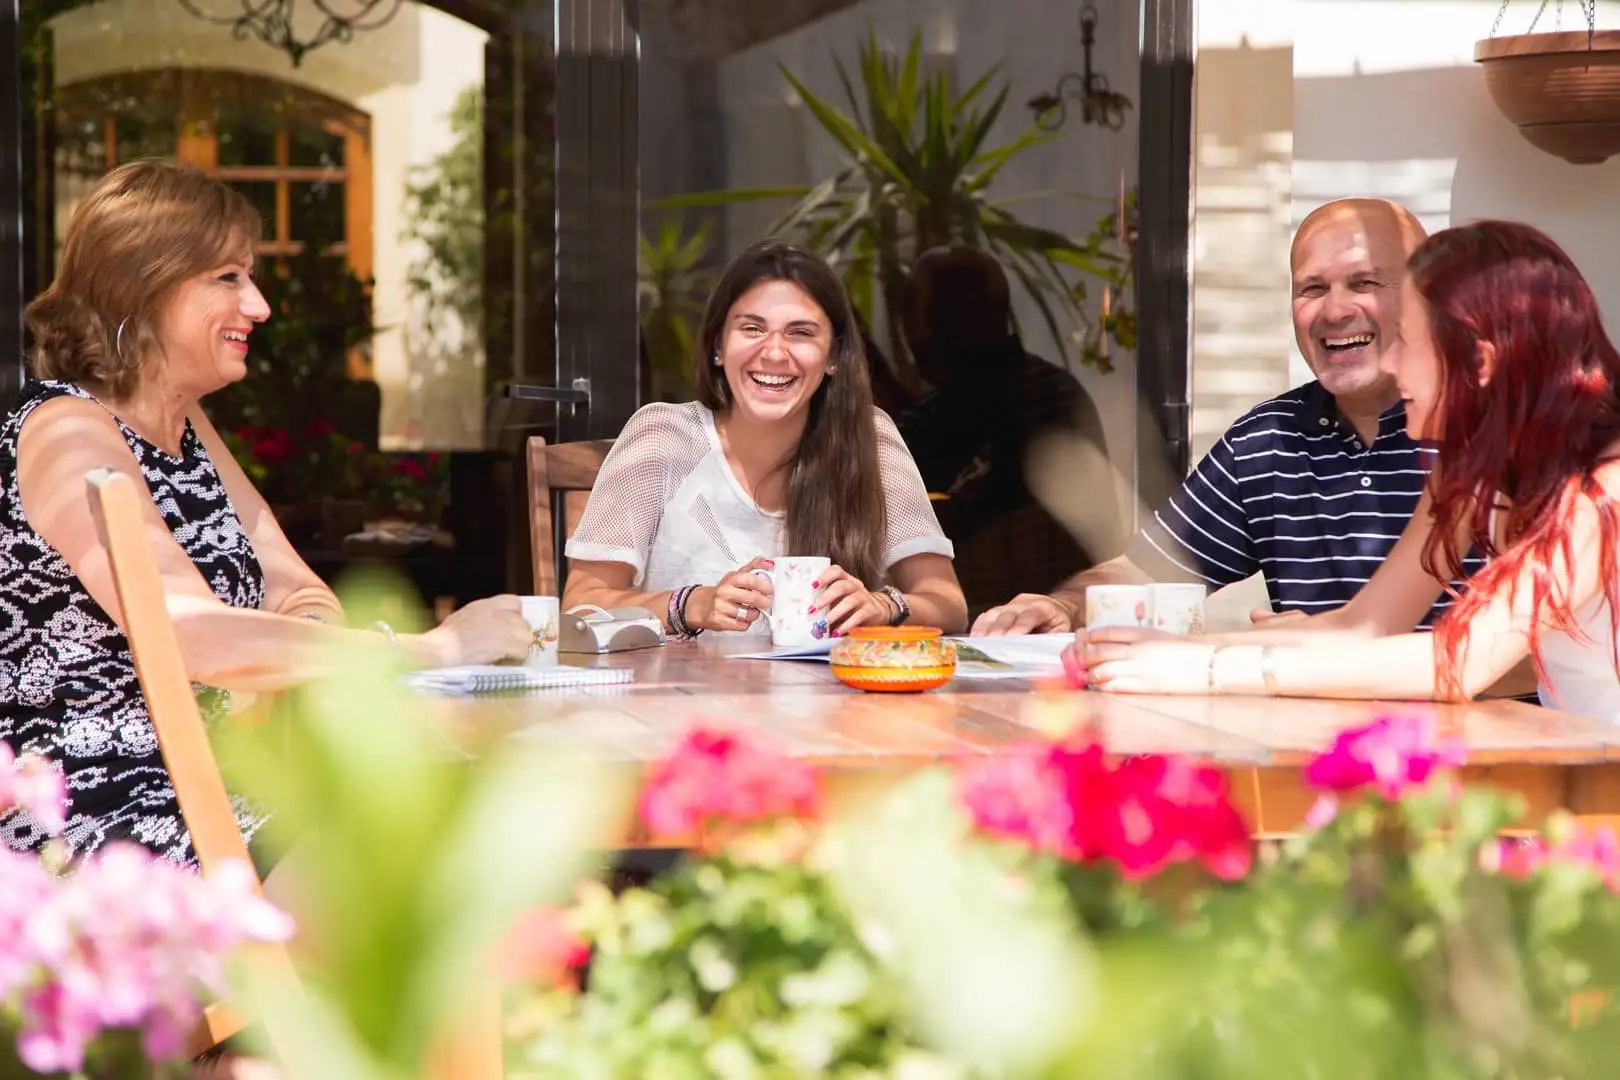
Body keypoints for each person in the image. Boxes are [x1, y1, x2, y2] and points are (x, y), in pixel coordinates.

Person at [0, 161, 531, 868]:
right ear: (144, 283)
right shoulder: (65, 432)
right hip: (97, 822)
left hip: (213, 791)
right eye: (228, 278)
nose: (259, 306)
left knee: (455, 846)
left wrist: (289, 650)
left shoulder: (185, 427)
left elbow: (296, 587)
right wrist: (426, 649)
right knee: (429, 873)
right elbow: (186, 635)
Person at [1079, 220, 1620, 721]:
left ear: (1480, 364)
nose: (1387, 364)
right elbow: (1365, 624)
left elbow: (1454, 662)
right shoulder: (1477, 470)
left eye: (1405, 341)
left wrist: (1212, 671)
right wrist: (1166, 651)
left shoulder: (1603, 487)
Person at [972, 197, 1481, 636]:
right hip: (1324, 735)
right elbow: (1151, 572)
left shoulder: (1493, 434)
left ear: (1428, 296)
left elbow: (1528, 641)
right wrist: (1060, 606)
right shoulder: (1270, 438)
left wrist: (1305, 647)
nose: (1334, 311)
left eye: (1364, 281)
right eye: (1311, 289)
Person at [563, 239, 967, 638]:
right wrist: (691, 604)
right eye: (752, 328)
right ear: (718, 346)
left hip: (834, 700)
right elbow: (581, 607)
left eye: (801, 333)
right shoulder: (664, 437)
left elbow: (947, 603)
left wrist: (885, 607)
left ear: (832, 357)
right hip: (682, 700)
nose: (774, 353)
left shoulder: (870, 439)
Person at [894, 247, 1117, 616]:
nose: (915, 338)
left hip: (1036, 622)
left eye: (927, 320)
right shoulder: (947, 405)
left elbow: (946, 520)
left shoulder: (1037, 399)